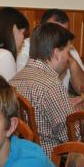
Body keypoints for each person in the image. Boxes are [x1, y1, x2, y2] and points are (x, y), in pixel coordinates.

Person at [9, 22, 77, 158]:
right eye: (67, 52)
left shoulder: (13, 81)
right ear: (56, 53)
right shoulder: (52, 86)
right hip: (50, 163)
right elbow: (73, 138)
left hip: (19, 157)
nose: (68, 58)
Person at [16, 8, 84, 97]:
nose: (59, 38)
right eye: (53, 31)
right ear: (41, 28)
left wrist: (71, 61)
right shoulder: (24, 46)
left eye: (63, 34)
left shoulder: (69, 49)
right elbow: (23, 87)